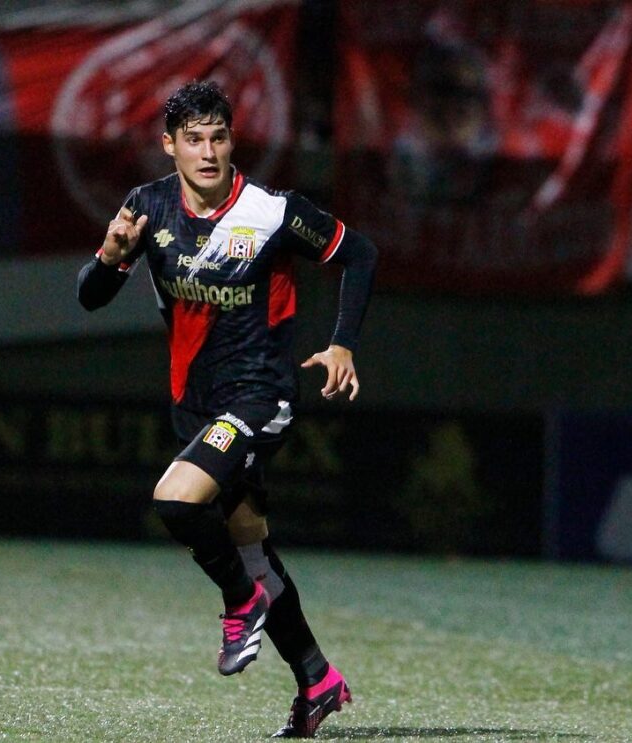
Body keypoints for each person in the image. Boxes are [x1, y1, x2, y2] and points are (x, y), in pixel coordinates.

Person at [77, 80, 377, 739]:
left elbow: (359, 252)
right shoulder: (147, 207)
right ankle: (317, 679)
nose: (208, 151)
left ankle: (240, 601)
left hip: (261, 394)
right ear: (170, 146)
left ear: (231, 140)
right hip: (196, 402)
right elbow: (91, 297)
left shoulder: (271, 212)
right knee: (252, 544)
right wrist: (108, 254)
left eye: (218, 136)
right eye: (193, 139)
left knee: (178, 500)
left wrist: (342, 344)